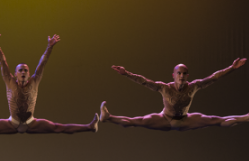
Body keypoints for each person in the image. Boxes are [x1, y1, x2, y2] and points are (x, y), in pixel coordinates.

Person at [0, 31, 98, 135]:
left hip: (31, 122)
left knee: (58, 127)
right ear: (15, 74)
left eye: (26, 70)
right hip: (12, 122)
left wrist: (49, 47)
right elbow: (3, 62)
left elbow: (43, 63)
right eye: (21, 70)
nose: (24, 72)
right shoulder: (9, 81)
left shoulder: (34, 81)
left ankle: (90, 127)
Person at [100, 58, 248, 131]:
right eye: (179, 73)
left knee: (216, 120)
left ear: (187, 75)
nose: (181, 76)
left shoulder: (194, 86)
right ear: (173, 75)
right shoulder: (164, 88)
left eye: (184, 74)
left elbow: (214, 77)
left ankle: (246, 118)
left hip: (184, 120)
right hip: (165, 118)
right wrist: (126, 74)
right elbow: (144, 81)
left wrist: (232, 68)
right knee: (136, 121)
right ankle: (108, 117)